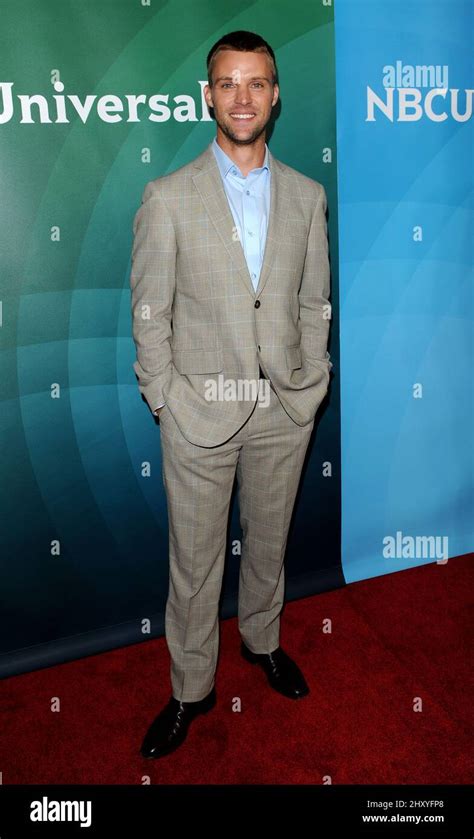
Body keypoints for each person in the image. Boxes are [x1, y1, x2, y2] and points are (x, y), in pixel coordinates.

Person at [130, 29, 332, 759]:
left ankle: (263, 641)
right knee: (195, 564)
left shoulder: (308, 198)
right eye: (228, 83)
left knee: (270, 547)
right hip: (199, 414)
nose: (242, 96)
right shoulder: (168, 196)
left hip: (284, 407)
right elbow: (150, 312)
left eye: (256, 83)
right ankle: (191, 688)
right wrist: (167, 399)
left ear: (275, 95)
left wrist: (311, 380)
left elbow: (314, 303)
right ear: (208, 95)